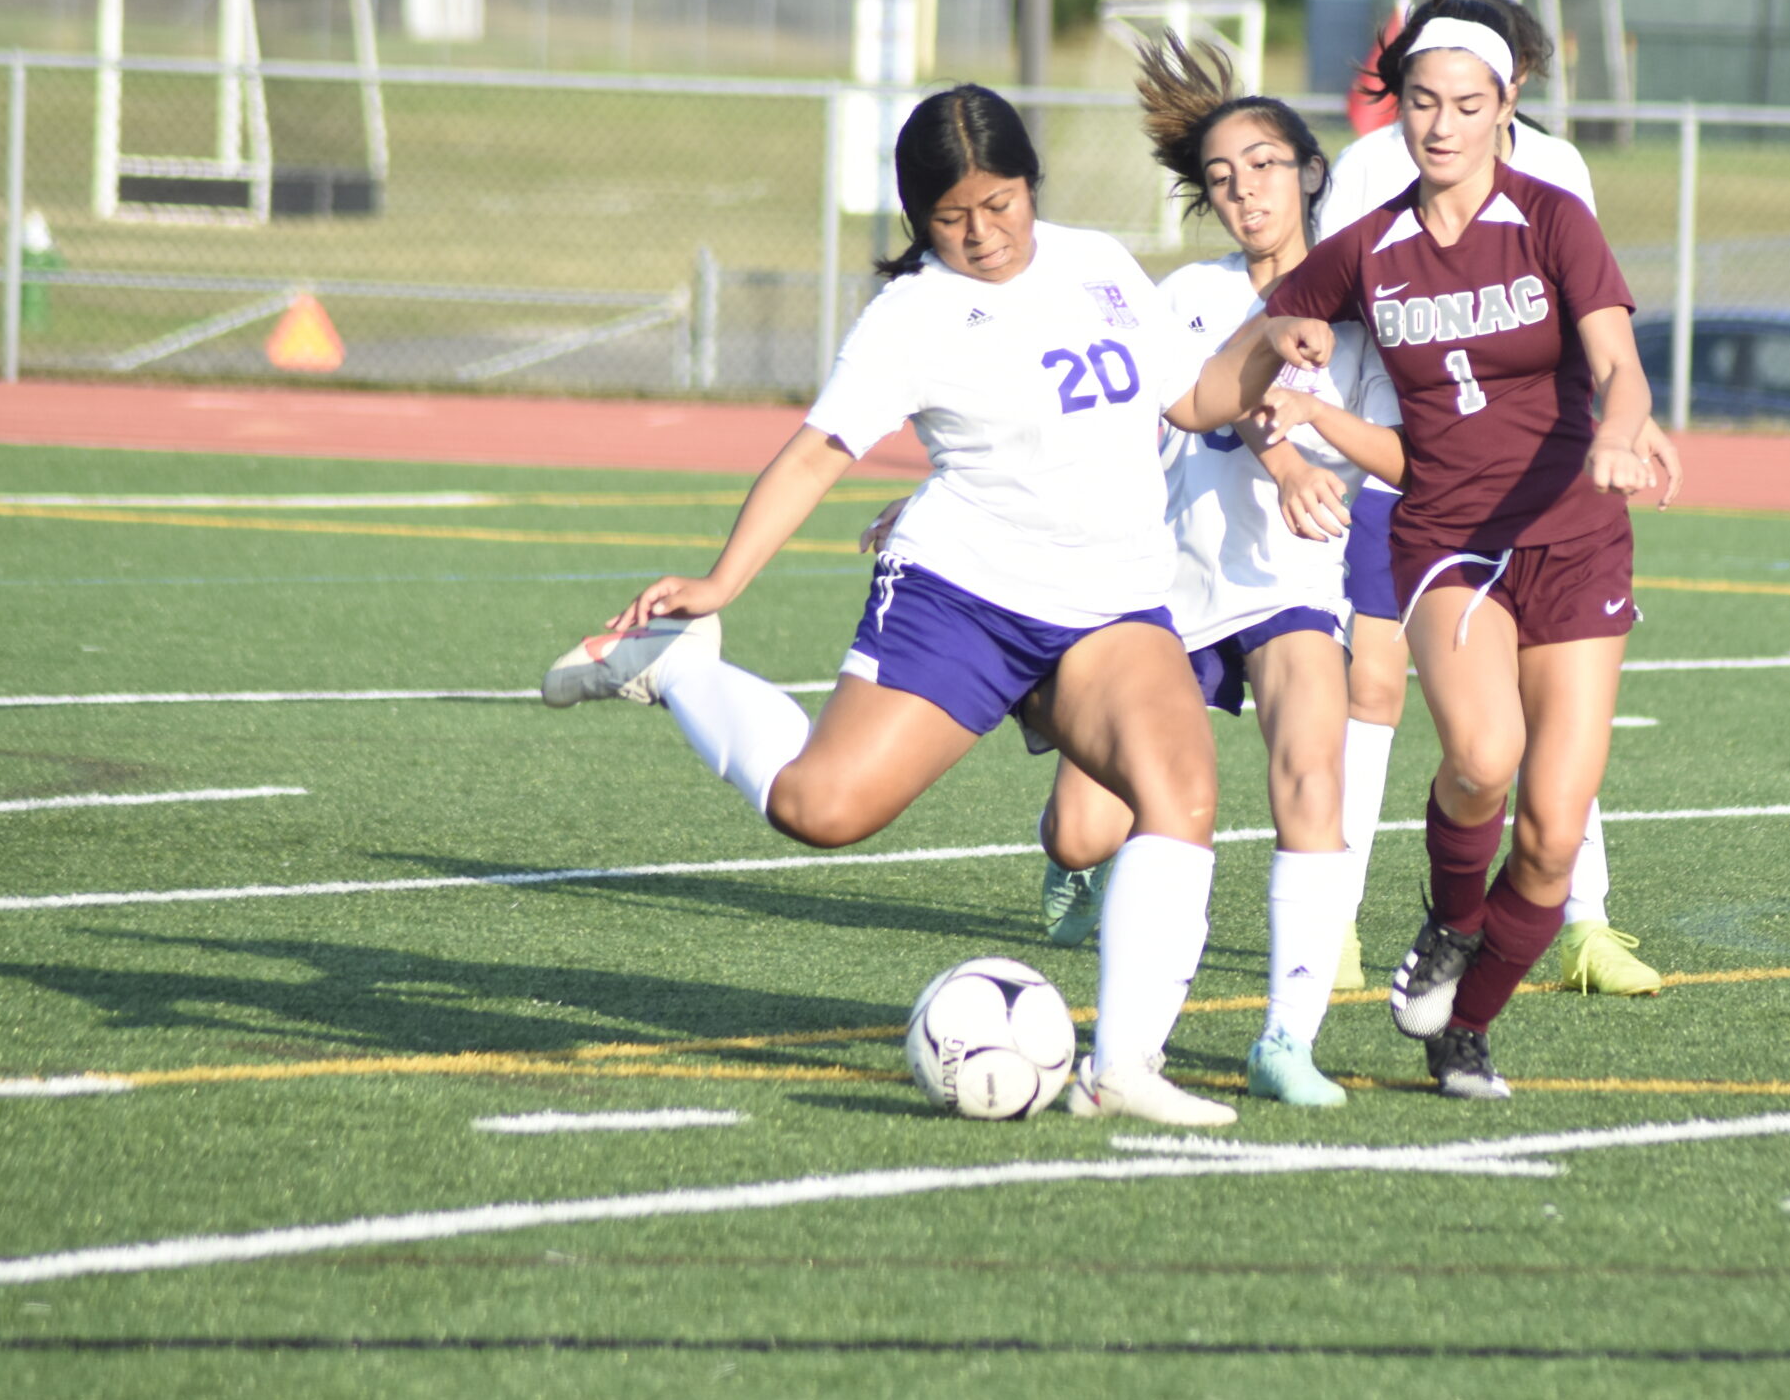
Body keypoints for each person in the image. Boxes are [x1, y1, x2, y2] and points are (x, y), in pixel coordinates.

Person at [539, 84, 1287, 1128]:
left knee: (1182, 794)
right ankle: (679, 666)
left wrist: (1281, 338)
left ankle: (1122, 1067)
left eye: (1001, 202)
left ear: (1032, 185)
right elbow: (815, 457)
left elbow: (1193, 398)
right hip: (964, 600)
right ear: (916, 220)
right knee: (820, 810)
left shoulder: (1100, 265)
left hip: (1112, 610)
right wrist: (720, 584)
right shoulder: (914, 314)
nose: (982, 232)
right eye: (951, 216)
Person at [1248, 14, 1683, 1099]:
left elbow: (1619, 367)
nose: (1441, 125)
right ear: (1398, 106)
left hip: (1576, 540)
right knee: (1482, 757)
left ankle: (1466, 1025)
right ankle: (1447, 923)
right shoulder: (1368, 246)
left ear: (1505, 108)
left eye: (1467, 103)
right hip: (1446, 539)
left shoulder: (1554, 219)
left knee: (1548, 834)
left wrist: (1625, 430)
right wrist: (1284, 353)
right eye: (1423, 102)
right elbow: (1266, 331)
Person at [1022, 36, 1401, 1107]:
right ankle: (1070, 853)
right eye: (1224, 179)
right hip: (1161, 586)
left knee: (1310, 777)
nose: (1246, 193)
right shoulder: (1186, 295)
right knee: (1086, 826)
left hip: (1290, 583)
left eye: (1266, 168)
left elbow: (1408, 455)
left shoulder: (1370, 304)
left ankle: (1286, 1037)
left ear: (1310, 172)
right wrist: (1278, 445)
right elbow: (1180, 406)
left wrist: (1319, 423)